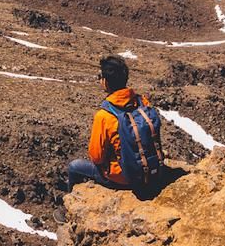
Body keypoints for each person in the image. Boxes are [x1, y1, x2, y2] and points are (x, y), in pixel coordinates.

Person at [65, 55, 164, 190]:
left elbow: (96, 157)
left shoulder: (104, 115)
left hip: (122, 178)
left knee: (74, 166)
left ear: (105, 82)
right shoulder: (143, 102)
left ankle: (72, 196)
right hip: (152, 169)